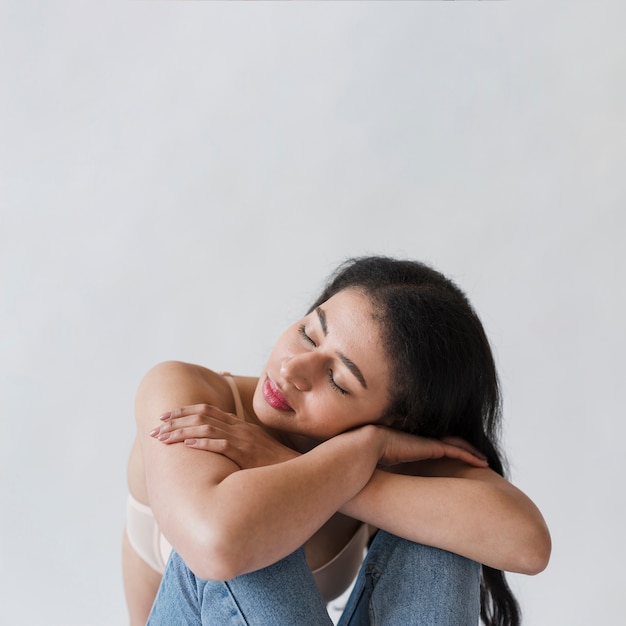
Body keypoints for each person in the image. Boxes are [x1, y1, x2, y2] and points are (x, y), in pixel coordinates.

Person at [122, 256, 551, 626]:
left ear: (393, 423)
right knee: (251, 524)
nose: (293, 370)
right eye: (310, 333)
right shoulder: (188, 395)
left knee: (449, 533)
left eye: (337, 380)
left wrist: (359, 460)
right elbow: (219, 544)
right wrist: (360, 457)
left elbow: (528, 545)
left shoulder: (382, 452)